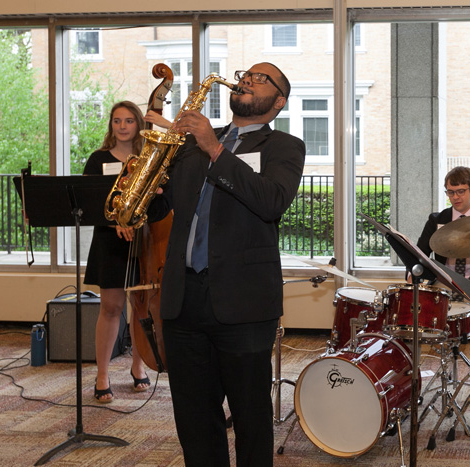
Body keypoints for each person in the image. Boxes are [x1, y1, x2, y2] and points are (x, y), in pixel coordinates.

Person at [146, 62, 305, 466]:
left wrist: (215, 150)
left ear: (279, 101)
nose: (248, 79)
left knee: (250, 417)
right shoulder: (196, 141)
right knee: (195, 418)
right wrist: (146, 187)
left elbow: (270, 201)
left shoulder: (283, 147)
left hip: (244, 302)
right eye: (246, 74)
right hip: (184, 298)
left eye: (261, 78)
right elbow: (168, 207)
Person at [83, 100, 151, 403]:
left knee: (141, 309)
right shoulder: (97, 159)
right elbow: (89, 204)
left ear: (138, 124)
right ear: (111, 125)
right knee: (110, 308)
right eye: (116, 121)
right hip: (110, 241)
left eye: (128, 121)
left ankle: (139, 367)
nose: (122, 126)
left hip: (143, 240)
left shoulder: (148, 157)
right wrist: (115, 225)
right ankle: (102, 375)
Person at [415, 166, 470, 390]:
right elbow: (419, 255)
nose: (455, 197)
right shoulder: (436, 220)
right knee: (409, 318)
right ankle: (409, 385)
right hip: (444, 284)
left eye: (460, 191)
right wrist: (414, 271)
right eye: (450, 192)